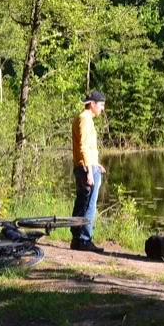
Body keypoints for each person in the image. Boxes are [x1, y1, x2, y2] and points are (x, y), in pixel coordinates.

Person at [71, 90, 106, 253]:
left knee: (81, 202)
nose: (102, 109)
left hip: (86, 165)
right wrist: (90, 172)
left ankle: (77, 239)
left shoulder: (82, 118)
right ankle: (85, 240)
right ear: (92, 104)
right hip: (86, 168)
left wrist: (96, 163)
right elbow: (83, 146)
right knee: (89, 204)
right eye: (101, 105)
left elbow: (87, 147)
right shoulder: (85, 120)